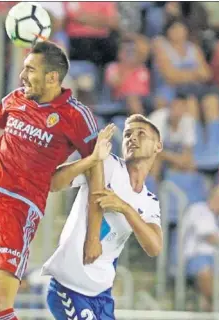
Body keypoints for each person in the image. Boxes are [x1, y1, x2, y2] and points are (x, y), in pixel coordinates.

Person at [0, 41, 102, 320]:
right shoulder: (16, 98)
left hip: (19, 210)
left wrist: (93, 233)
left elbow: (97, 168)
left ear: (52, 77)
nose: (22, 76)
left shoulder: (76, 116)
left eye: (30, 69)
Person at [43, 115, 164, 320]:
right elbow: (53, 183)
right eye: (127, 134)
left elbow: (154, 247)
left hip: (101, 294)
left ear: (157, 147)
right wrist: (91, 160)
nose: (132, 138)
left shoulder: (149, 201)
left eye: (141, 134)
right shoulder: (106, 164)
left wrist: (125, 208)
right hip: (70, 286)